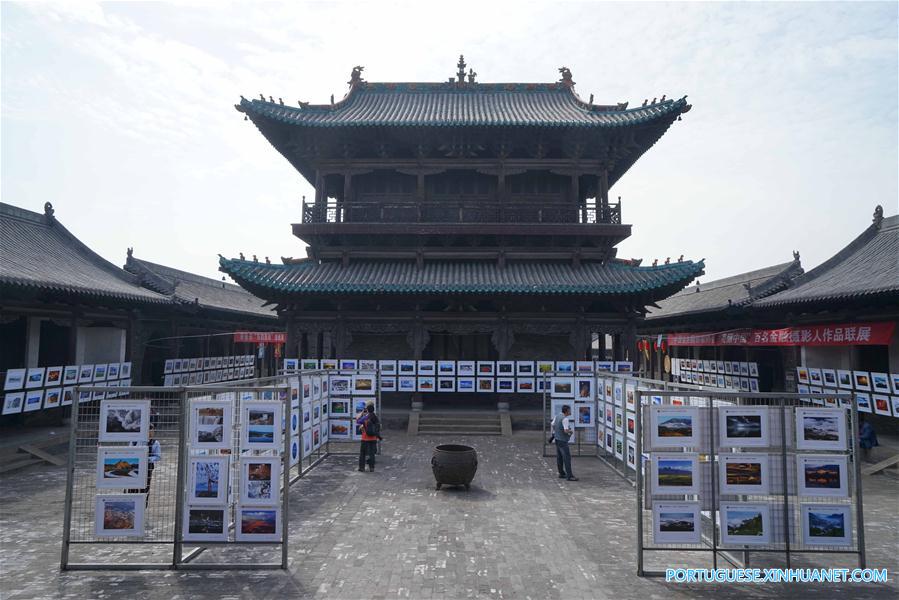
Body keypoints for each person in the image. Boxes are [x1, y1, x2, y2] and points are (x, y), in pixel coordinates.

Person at [128, 423, 161, 506]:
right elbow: (129, 451)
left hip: (147, 467)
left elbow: (157, 456)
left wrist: (147, 459)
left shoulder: (155, 443)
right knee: (132, 486)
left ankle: (142, 505)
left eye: (152, 431)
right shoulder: (135, 441)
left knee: (145, 486)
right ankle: (131, 502)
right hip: (134, 466)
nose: (150, 433)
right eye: (149, 431)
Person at [553, 405, 578, 481]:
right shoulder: (565, 419)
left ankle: (561, 473)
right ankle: (569, 476)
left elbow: (553, 424)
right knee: (567, 458)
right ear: (567, 411)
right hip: (563, 441)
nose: (570, 412)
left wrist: (557, 431)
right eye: (569, 410)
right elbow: (566, 430)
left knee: (559, 457)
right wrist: (571, 431)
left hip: (557, 439)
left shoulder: (557, 416)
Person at [356, 402, 380, 472]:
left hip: (365, 438)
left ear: (367, 410)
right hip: (373, 438)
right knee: (372, 453)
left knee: (362, 453)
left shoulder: (366, 418)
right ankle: (372, 468)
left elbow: (358, 421)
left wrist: (362, 412)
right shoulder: (375, 417)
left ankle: (362, 467)